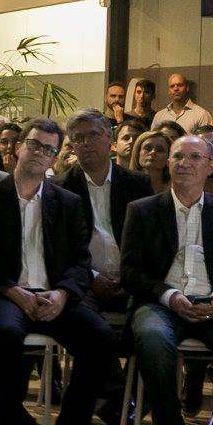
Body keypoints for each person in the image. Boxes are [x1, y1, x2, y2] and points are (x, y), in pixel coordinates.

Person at [0, 120, 112, 425]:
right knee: (4, 333)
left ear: (57, 157)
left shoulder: (69, 202)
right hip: (3, 295)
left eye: (49, 149)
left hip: (53, 297)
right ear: (18, 147)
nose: (39, 153)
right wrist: (14, 293)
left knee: (100, 337)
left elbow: (80, 261)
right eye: (34, 144)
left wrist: (62, 294)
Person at [122, 133, 213, 425]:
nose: (185, 163)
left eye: (194, 157)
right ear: (168, 163)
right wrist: (169, 296)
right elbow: (131, 273)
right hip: (161, 304)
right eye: (178, 156)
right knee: (153, 338)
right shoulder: (142, 210)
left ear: (210, 166)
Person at [57, 109, 152, 315]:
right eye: (78, 138)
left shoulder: (138, 183)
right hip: (84, 282)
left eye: (93, 135)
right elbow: (60, 249)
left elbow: (149, 242)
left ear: (109, 138)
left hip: (133, 281)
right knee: (86, 327)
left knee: (144, 328)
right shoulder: (59, 188)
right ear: (72, 144)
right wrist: (92, 278)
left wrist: (129, 279)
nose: (86, 143)